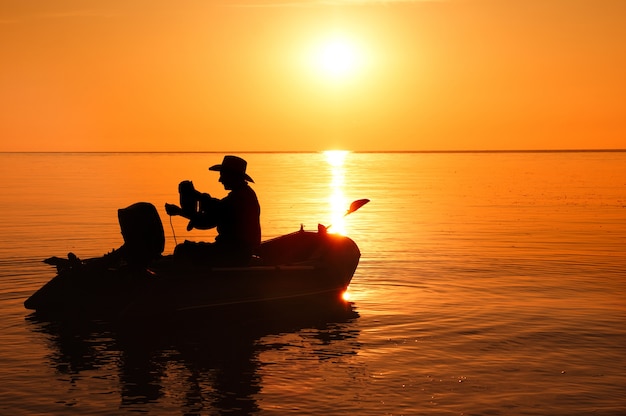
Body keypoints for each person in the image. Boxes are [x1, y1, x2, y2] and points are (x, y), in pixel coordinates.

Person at [165, 155, 261, 266]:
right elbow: (215, 212)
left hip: (231, 254)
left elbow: (210, 218)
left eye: (223, 175)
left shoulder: (239, 199)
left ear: (233, 176)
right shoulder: (244, 195)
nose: (220, 180)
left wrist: (185, 207)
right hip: (235, 252)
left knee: (181, 251)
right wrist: (184, 208)